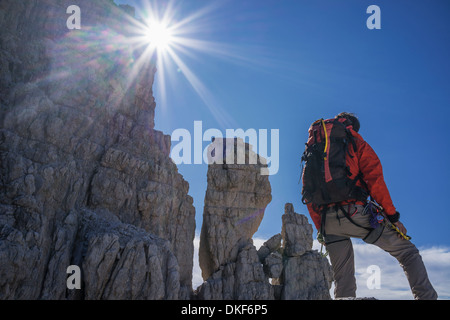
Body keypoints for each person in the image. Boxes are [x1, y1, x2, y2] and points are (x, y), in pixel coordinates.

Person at [305, 112, 438, 300]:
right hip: (356, 214)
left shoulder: (315, 149)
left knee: (343, 276)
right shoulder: (356, 143)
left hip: (328, 220)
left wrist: (321, 229)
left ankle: (345, 298)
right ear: (353, 128)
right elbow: (376, 182)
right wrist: (393, 218)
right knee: (408, 253)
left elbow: (307, 193)